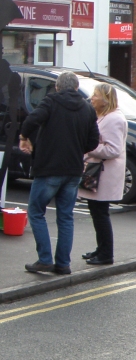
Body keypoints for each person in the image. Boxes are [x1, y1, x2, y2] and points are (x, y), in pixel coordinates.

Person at [19, 71, 99, 275]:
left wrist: (24, 137)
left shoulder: (51, 101)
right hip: (73, 170)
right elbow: (92, 142)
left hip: (49, 168)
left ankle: (45, 259)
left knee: (36, 212)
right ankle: (63, 263)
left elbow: (31, 120)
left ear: (57, 87)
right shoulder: (88, 108)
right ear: (75, 87)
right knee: (65, 217)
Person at [78, 84, 126, 265]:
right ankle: (101, 249)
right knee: (96, 212)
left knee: (100, 213)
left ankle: (106, 254)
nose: (92, 98)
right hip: (98, 172)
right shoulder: (105, 116)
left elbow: (113, 149)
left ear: (106, 99)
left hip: (104, 174)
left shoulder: (114, 119)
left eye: (95, 95)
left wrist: (89, 148)